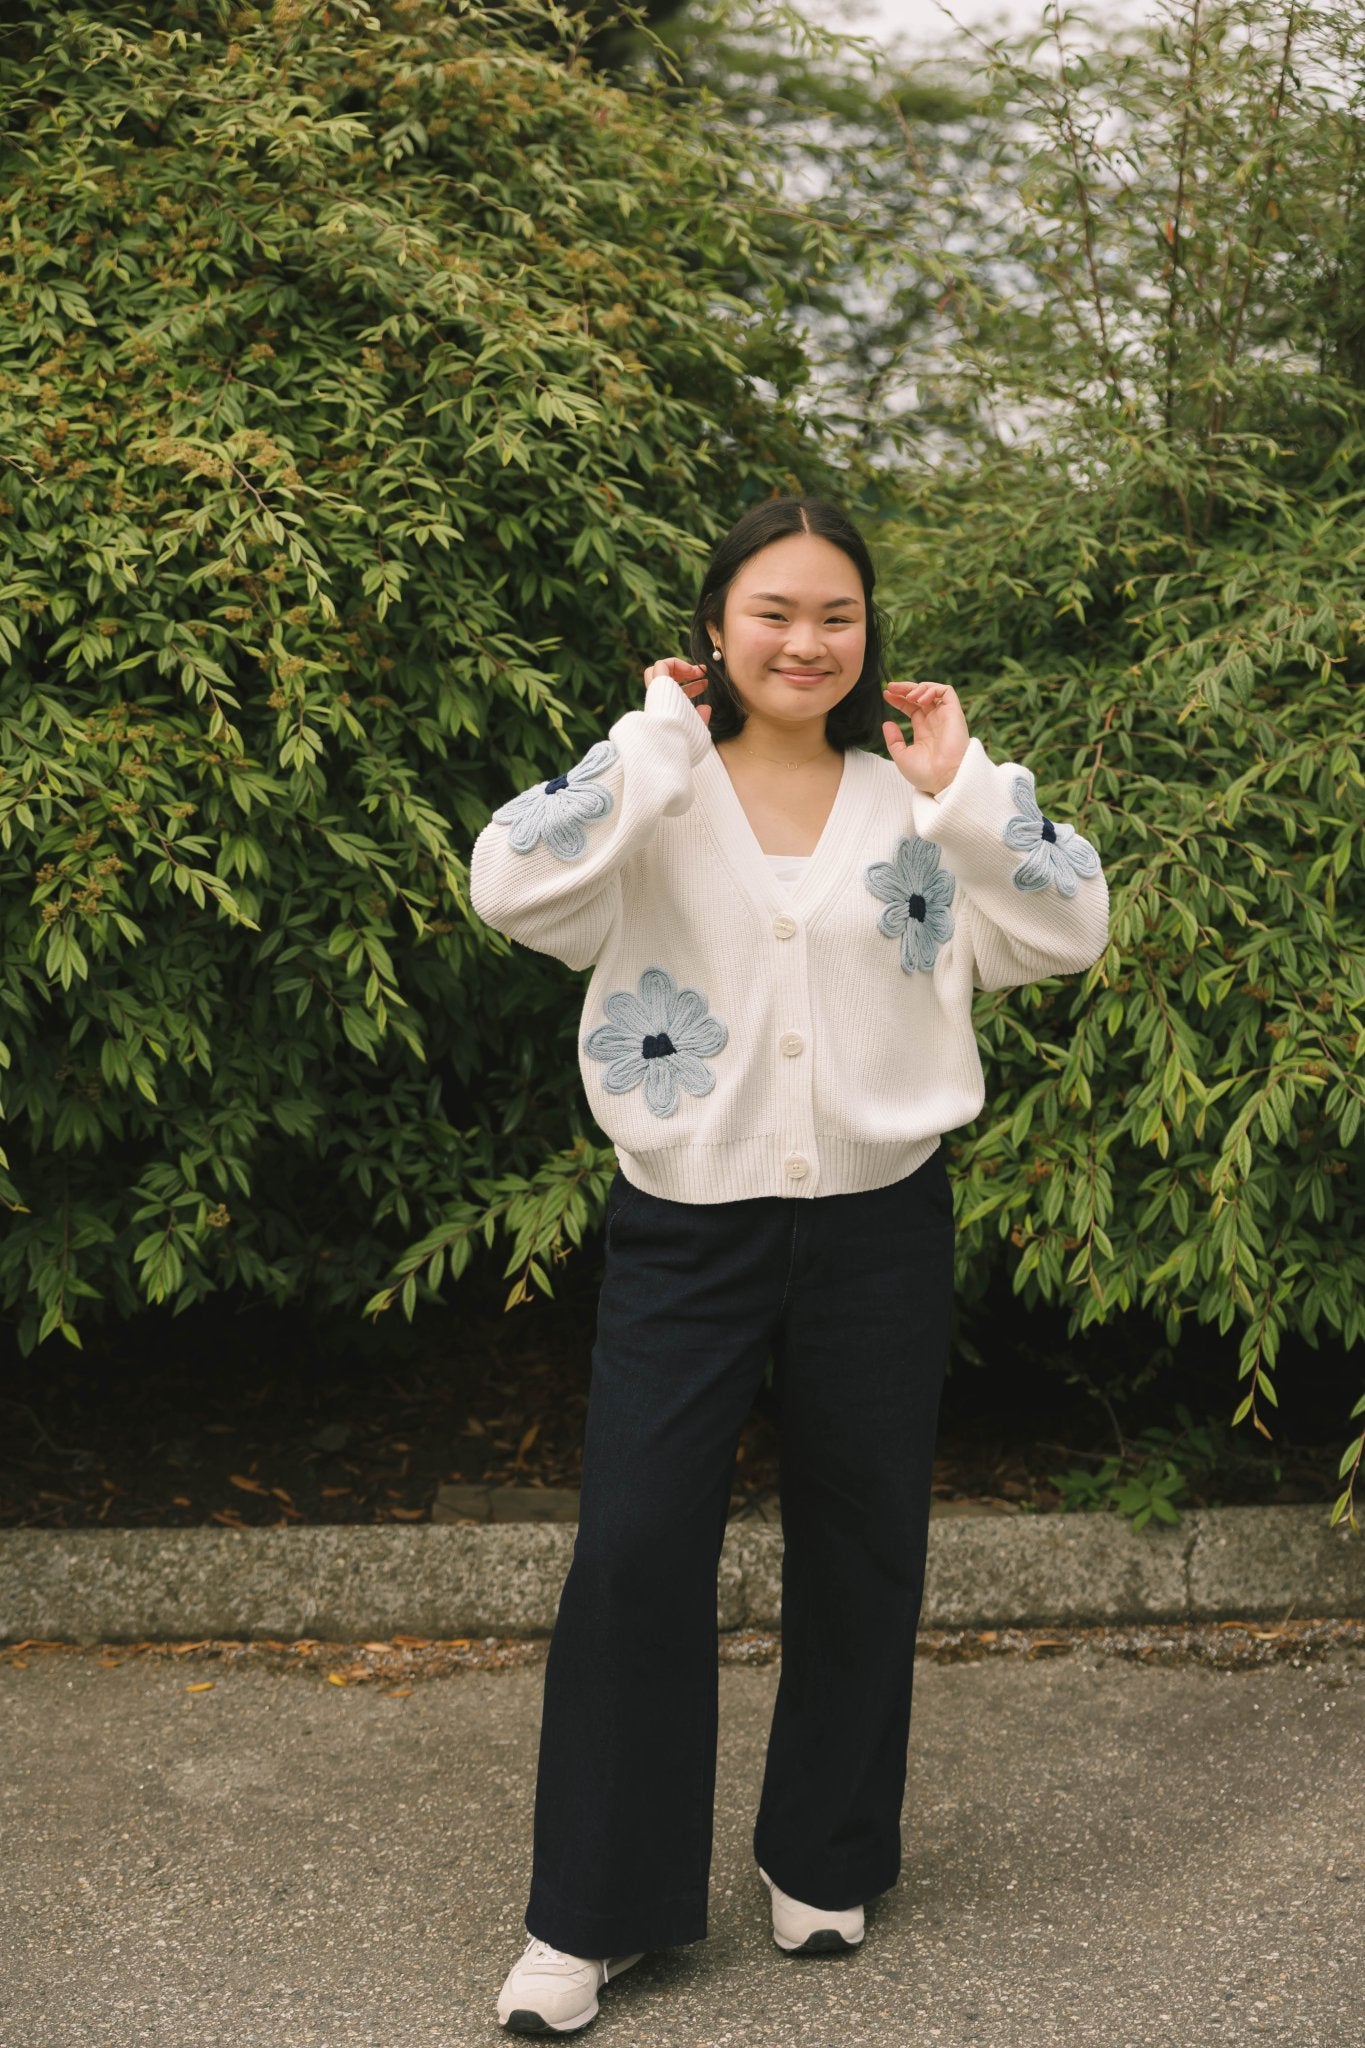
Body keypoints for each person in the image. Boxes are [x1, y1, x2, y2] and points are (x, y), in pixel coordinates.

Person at [469, 494, 1109, 2035]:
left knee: (863, 1537)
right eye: (772, 611)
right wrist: (647, 751)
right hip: (685, 1223)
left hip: (883, 1222)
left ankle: (823, 1856)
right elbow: (510, 886)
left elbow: (1070, 922)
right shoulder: (651, 790)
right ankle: (593, 1917)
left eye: (835, 615)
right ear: (715, 626)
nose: (805, 641)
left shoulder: (919, 803)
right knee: (632, 1547)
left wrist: (964, 788)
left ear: (868, 633)